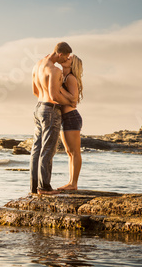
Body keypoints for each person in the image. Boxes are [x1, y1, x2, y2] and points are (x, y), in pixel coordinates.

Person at [30, 42, 76, 195]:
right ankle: (44, 188)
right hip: (50, 110)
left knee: (36, 149)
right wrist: (70, 101)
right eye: (67, 56)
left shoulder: (38, 65)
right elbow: (54, 96)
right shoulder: (54, 70)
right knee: (48, 149)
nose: (68, 59)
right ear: (60, 54)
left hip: (38, 108)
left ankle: (34, 187)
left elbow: (35, 91)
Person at [57, 54, 84, 191]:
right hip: (65, 118)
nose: (66, 58)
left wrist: (60, 88)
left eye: (69, 59)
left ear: (72, 64)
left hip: (71, 117)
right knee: (69, 152)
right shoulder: (64, 77)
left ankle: (73, 184)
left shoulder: (71, 78)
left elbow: (73, 100)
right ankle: (71, 182)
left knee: (75, 152)